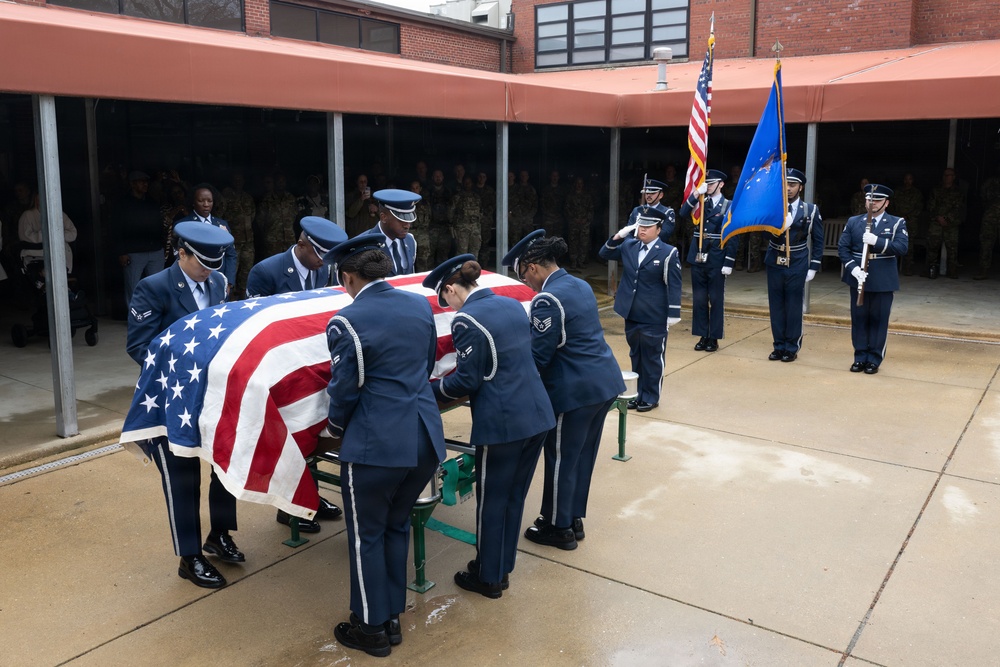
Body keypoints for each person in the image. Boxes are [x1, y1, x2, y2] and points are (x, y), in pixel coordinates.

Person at [323, 235, 445, 657]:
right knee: (395, 525)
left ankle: (372, 628)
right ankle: (390, 614)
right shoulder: (419, 305)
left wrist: (336, 428)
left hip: (377, 446)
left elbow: (344, 390)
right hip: (424, 439)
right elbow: (427, 363)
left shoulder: (346, 322)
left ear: (349, 276)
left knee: (365, 536)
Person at [424, 255, 555, 598]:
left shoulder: (467, 319)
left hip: (503, 424)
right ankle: (500, 565)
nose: (449, 307)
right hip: (537, 415)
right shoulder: (511, 304)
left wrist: (427, 389)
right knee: (514, 496)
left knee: (492, 500)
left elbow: (464, 382)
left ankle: (488, 577)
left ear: (451, 289)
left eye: (446, 299)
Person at [125, 221, 243, 589]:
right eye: (202, 262)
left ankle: (219, 533)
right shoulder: (154, 287)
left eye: (215, 263)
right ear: (182, 253)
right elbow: (139, 346)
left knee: (223, 464)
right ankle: (189, 556)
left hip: (211, 395)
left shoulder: (218, 283)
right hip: (172, 398)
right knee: (182, 477)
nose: (209, 270)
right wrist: (186, 371)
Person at [503, 231, 625, 551]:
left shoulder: (547, 298)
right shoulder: (579, 285)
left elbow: (539, 355)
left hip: (574, 391)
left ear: (532, 268)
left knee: (559, 457)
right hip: (603, 384)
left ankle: (558, 528)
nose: (526, 284)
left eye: (523, 275)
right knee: (581, 455)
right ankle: (571, 517)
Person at [599, 207, 682, 411]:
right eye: (640, 225)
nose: (642, 229)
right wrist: (620, 235)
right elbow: (604, 253)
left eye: (648, 226)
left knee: (653, 357)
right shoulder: (629, 246)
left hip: (654, 315)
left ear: (659, 229)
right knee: (636, 354)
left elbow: (674, 283)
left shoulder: (668, 252)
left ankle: (651, 397)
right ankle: (638, 393)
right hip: (632, 312)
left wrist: (673, 313)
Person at [838, 184, 908, 374]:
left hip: (883, 278)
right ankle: (860, 356)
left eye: (877, 200)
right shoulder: (854, 221)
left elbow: (902, 248)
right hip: (858, 276)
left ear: (886, 203)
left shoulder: (896, 222)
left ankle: (874, 358)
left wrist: (878, 242)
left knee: (879, 319)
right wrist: (853, 269)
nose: (872, 203)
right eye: (869, 199)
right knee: (859, 318)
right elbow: (843, 248)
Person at [765, 168, 824, 363]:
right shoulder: (774, 207)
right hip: (775, 259)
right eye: (785, 184)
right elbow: (762, 233)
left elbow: (818, 238)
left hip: (797, 261)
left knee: (793, 305)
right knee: (776, 306)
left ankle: (791, 347)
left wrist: (814, 265)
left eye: (792, 185)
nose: (788, 188)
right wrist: (778, 228)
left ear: (800, 187)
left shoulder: (810, 210)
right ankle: (778, 345)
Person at [679, 169, 736, 352]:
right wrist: (696, 194)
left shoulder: (728, 206)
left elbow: (733, 235)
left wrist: (729, 261)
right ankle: (703, 335)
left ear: (721, 184)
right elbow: (682, 212)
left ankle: (714, 337)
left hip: (717, 256)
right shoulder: (700, 202)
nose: (708, 186)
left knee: (716, 299)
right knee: (699, 299)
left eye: (712, 183)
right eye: (707, 183)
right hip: (698, 255)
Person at [246, 215, 347, 298]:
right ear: (301, 245)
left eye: (328, 256)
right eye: (321, 254)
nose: (323, 262)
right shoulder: (265, 272)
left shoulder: (325, 268)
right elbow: (256, 316)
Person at [112, 171, 165, 307]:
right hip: (133, 252)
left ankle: (156, 316)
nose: (145, 184)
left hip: (155, 250)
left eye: (146, 181)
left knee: (157, 286)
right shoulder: (123, 204)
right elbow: (117, 229)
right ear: (132, 184)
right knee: (134, 287)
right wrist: (121, 252)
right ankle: (135, 319)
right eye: (141, 181)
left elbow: (160, 225)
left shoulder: (152, 202)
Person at [174, 183, 238, 290]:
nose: (206, 204)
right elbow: (179, 257)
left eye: (210, 201)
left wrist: (229, 282)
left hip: (219, 282)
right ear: (193, 202)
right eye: (201, 201)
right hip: (193, 281)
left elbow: (231, 255)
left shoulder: (221, 225)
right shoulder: (183, 225)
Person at [18, 191, 78, 273]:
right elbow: (25, 237)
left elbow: (73, 234)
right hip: (36, 258)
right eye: (40, 198)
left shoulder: (60, 214)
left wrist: (57, 235)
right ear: (35, 200)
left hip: (61, 257)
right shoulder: (27, 215)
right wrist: (47, 235)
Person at [217, 171, 256, 297]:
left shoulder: (248, 197)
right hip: (232, 242)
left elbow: (253, 216)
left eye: (241, 180)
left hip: (248, 240)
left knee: (247, 270)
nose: (238, 182)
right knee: (232, 271)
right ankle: (230, 296)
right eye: (236, 180)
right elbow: (218, 218)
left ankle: (244, 295)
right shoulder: (225, 197)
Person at [367, 189, 418, 276]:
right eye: (401, 220)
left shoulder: (410, 241)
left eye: (408, 219)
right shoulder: (364, 246)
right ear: (383, 217)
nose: (407, 225)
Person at [925, 168, 964, 279]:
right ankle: (931, 270)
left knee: (952, 248)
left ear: (954, 177)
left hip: (951, 224)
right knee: (932, 247)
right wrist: (938, 218)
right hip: (936, 223)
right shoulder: (936, 190)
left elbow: (958, 208)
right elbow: (930, 206)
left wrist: (947, 219)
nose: (947, 177)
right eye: (945, 175)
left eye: (950, 175)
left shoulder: (958, 192)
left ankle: (952, 271)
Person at [891, 173, 923, 276]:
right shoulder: (897, 192)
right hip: (897, 221)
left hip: (910, 222)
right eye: (906, 179)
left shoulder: (917, 193)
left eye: (910, 179)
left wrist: (907, 216)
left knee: (909, 246)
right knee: (894, 244)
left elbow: (919, 208)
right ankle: (892, 268)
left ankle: (907, 268)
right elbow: (891, 206)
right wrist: (897, 216)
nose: (907, 181)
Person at [627, 178, 676, 243]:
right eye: (647, 193)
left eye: (652, 193)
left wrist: (643, 238)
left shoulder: (667, 212)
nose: (649, 195)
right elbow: (628, 232)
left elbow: (664, 234)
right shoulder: (637, 210)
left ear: (661, 195)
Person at [563, 176, 594, 270]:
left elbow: (591, 209)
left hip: (584, 224)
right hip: (573, 224)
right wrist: (574, 219)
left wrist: (586, 219)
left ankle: (581, 261)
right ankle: (573, 262)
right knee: (573, 243)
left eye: (581, 183)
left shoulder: (587, 196)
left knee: (584, 243)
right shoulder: (570, 196)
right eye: (577, 183)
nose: (579, 185)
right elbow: (566, 209)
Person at [975, 169, 1000, 280]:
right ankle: (983, 271)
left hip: (990, 214)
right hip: (990, 216)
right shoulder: (990, 182)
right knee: (986, 243)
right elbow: (983, 196)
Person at [450, 175, 482, 259]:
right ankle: (461, 270)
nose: (467, 184)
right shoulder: (457, 197)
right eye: (466, 183)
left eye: (469, 183)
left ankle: (473, 270)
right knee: (461, 252)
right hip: (462, 229)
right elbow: (450, 212)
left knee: (475, 251)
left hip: (475, 228)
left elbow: (481, 212)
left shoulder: (477, 197)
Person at [345, 173, 375, 238]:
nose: (363, 184)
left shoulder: (374, 195)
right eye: (361, 182)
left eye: (365, 182)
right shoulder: (351, 196)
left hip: (372, 233)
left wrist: (376, 209)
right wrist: (361, 200)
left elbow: (383, 213)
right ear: (357, 183)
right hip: (357, 234)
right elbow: (350, 214)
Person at [540, 170, 567, 237]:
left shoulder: (563, 190)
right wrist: (549, 214)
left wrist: (559, 215)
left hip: (559, 219)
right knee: (547, 239)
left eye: (556, 176)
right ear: (550, 177)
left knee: (558, 240)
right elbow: (542, 204)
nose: (555, 178)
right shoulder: (545, 190)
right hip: (548, 219)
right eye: (553, 176)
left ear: (558, 177)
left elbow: (566, 205)